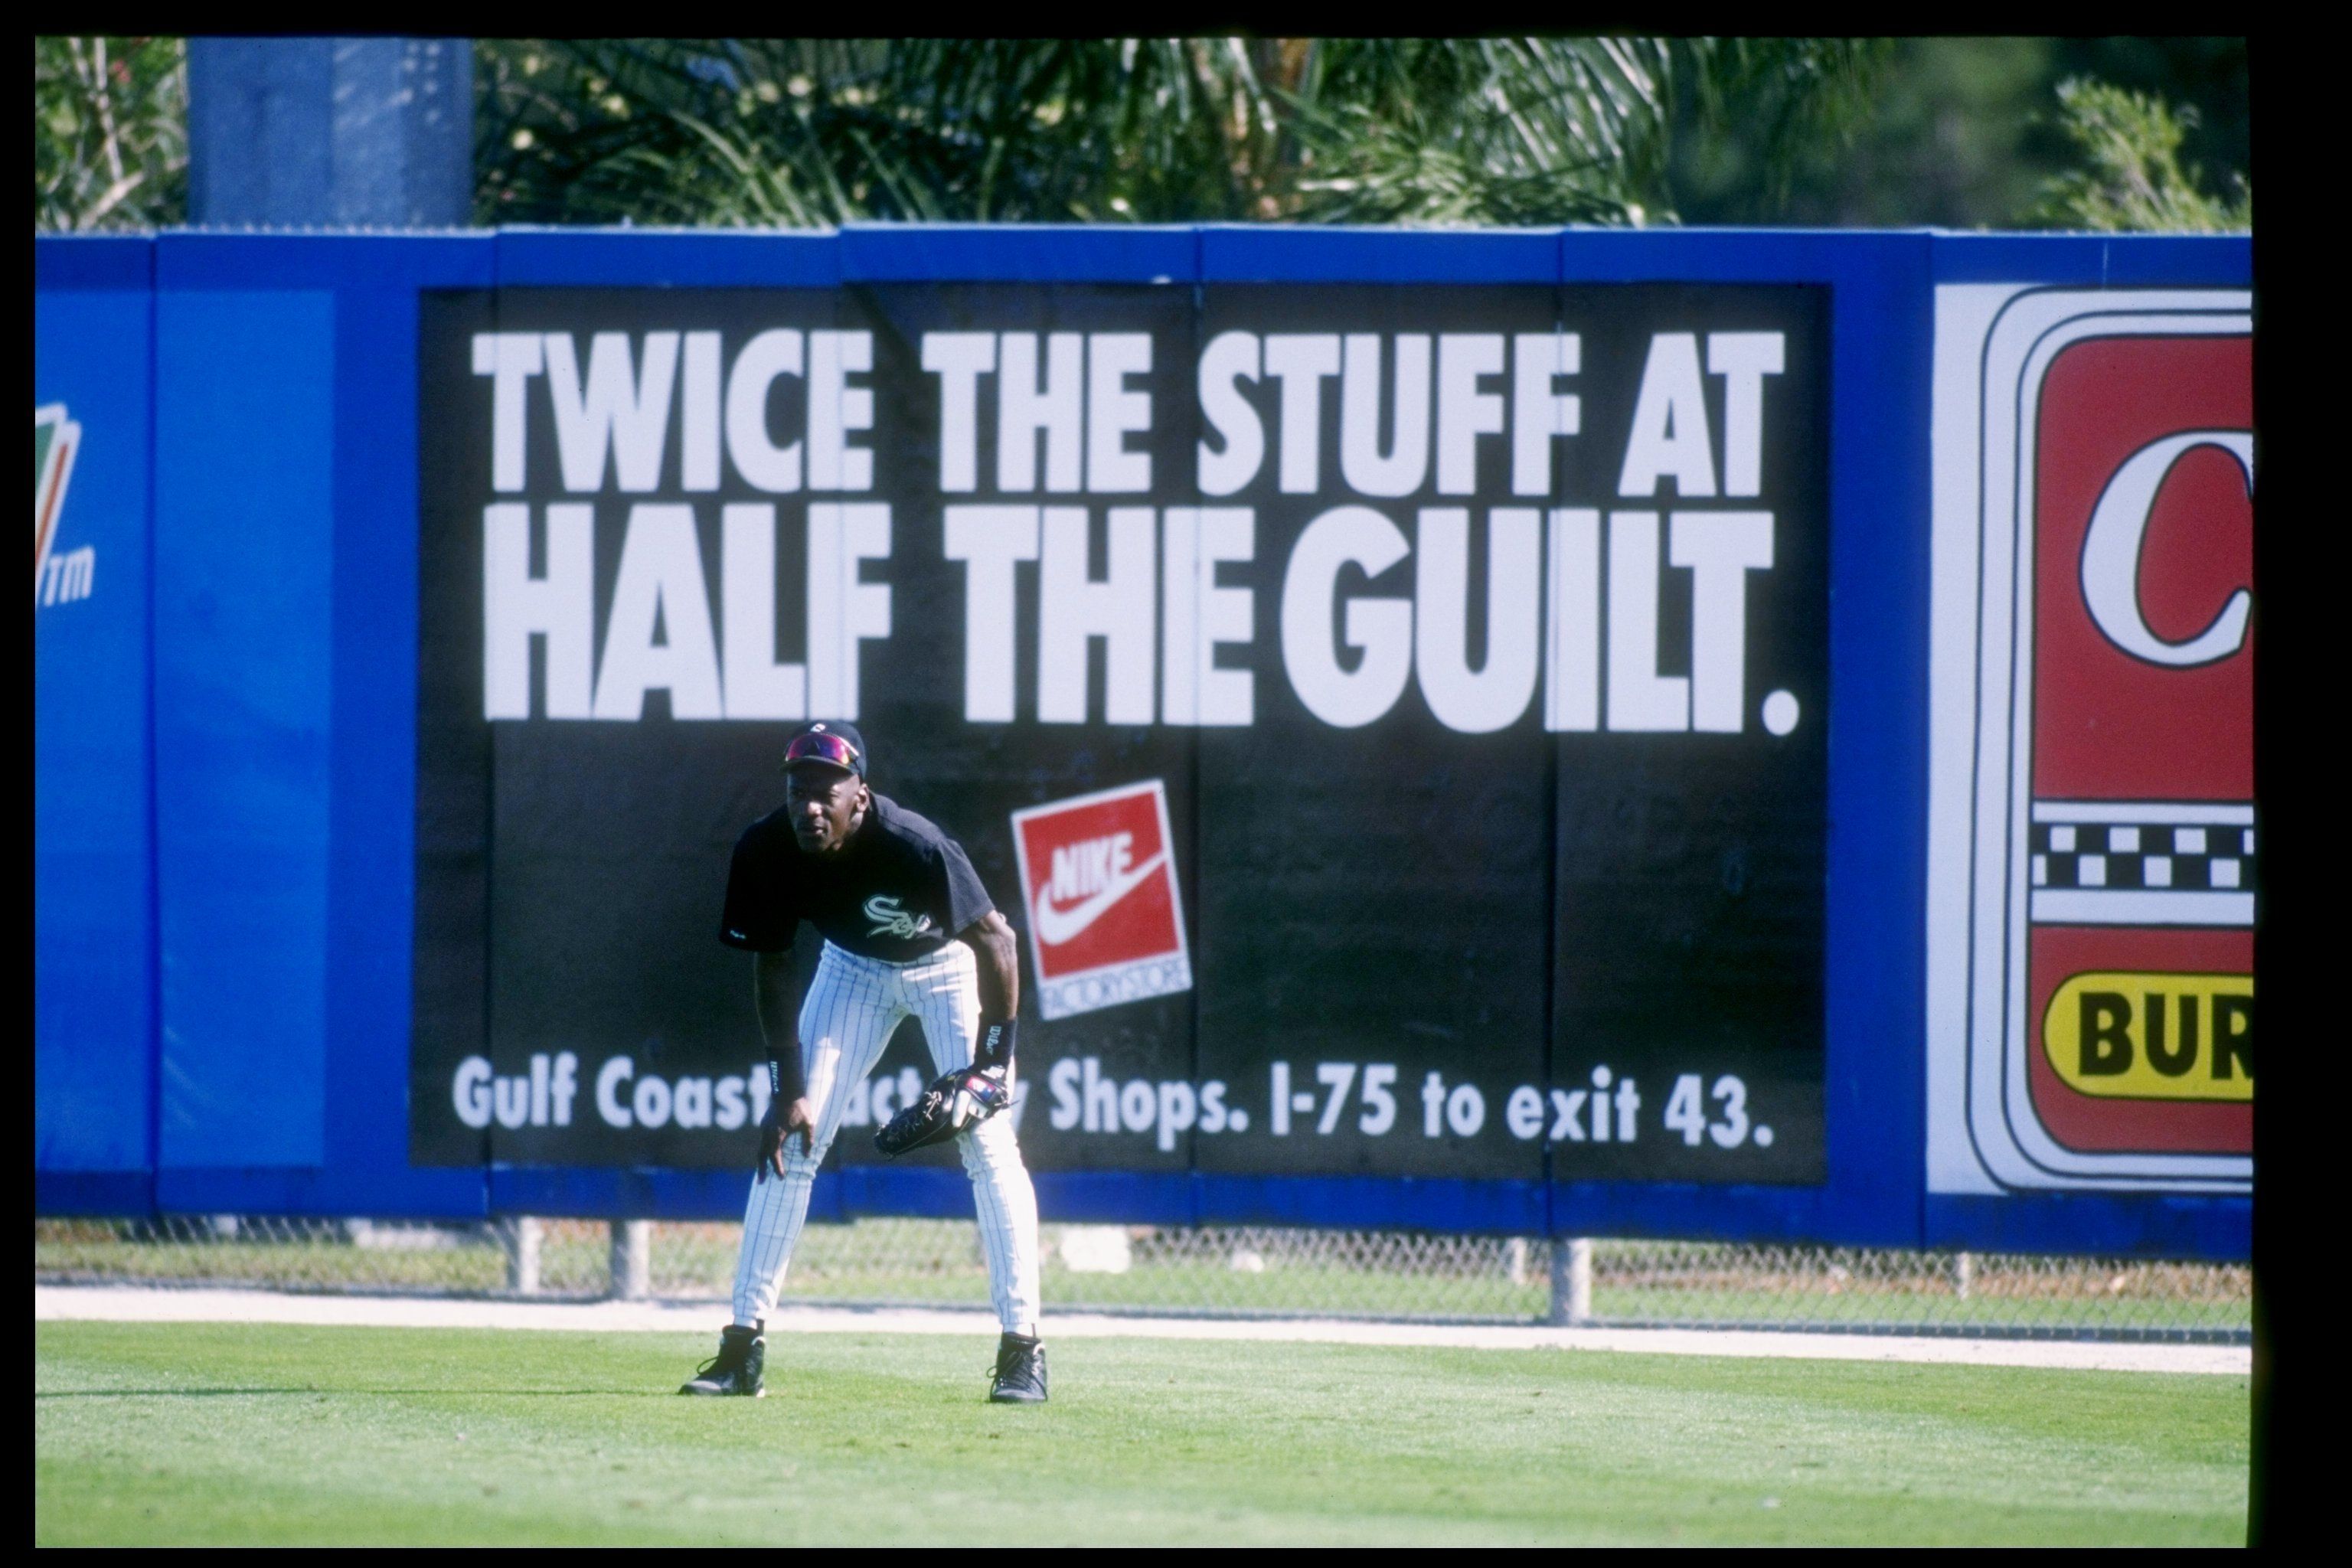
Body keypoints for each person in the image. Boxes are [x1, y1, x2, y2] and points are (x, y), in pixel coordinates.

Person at [680, 720, 1047, 1403]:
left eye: (827, 790)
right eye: (798, 790)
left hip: (946, 969)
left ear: (861, 795)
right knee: (792, 1139)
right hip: (851, 970)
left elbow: (998, 942)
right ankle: (741, 1350)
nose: (810, 806)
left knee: (990, 1144)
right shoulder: (766, 847)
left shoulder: (915, 845)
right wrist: (788, 1087)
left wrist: (991, 1069)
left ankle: (1023, 1349)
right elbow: (774, 964)